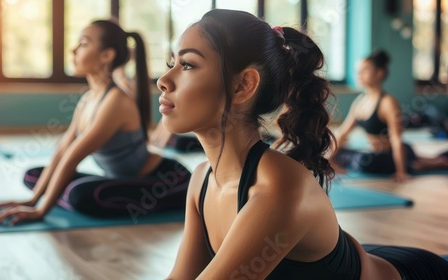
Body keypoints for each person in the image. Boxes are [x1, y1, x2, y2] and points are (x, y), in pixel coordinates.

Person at [157, 9, 448, 279]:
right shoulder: (201, 181)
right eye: (172, 63)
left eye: (187, 64)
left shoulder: (280, 189)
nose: (164, 80)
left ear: (243, 85)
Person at [0, 20, 191, 225]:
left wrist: (40, 210)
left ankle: (63, 197)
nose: (73, 50)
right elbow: (62, 150)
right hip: (118, 180)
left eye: (83, 44)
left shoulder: (115, 101)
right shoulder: (87, 100)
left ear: (106, 56)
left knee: (80, 195)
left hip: (166, 180)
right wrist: (31, 201)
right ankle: (62, 196)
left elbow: (73, 155)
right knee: (33, 175)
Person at [331, 50, 448, 182]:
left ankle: (425, 163)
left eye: (365, 70)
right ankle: (425, 160)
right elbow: (342, 133)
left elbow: (396, 138)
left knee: (365, 162)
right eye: (358, 70)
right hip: (375, 153)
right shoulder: (360, 102)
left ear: (379, 73)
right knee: (343, 153)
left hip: (391, 154)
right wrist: (328, 161)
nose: (359, 74)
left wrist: (401, 172)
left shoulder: (387, 102)